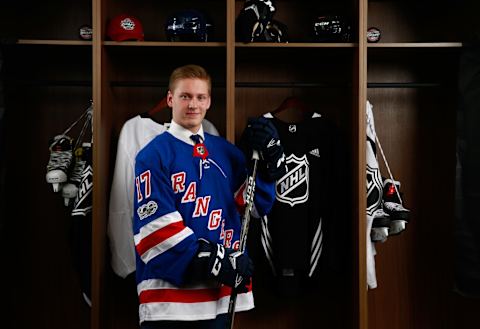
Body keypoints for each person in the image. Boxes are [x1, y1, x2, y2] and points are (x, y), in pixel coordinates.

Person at [133, 64, 286, 328]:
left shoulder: (226, 153)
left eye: (200, 97)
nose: (193, 104)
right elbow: (154, 231)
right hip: (169, 303)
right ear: (170, 99)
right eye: (185, 96)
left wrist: (269, 167)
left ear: (209, 101)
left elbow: (255, 207)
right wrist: (216, 261)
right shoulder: (152, 155)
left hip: (220, 296)